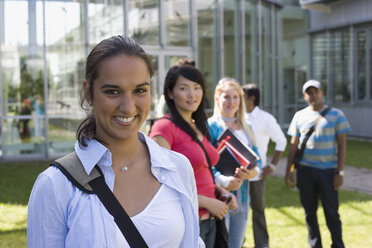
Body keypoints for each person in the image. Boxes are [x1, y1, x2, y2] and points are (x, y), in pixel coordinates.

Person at [27, 35, 204, 248]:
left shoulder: (178, 168)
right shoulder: (55, 185)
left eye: (140, 90)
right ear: (88, 92)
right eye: (112, 91)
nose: (128, 107)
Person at [149, 65, 237, 248]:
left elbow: (202, 170)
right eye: (183, 88)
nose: (192, 94)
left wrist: (220, 192)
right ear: (170, 93)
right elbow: (158, 182)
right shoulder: (163, 128)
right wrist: (206, 202)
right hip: (188, 222)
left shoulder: (198, 126)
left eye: (197, 87)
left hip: (212, 219)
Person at [285, 79, 351, 248]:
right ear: (305, 96)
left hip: (328, 172)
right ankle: (315, 245)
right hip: (305, 171)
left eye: (316, 91)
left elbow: (342, 145)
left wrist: (340, 172)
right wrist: (289, 171)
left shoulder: (337, 115)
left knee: (331, 212)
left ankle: (337, 244)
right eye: (309, 92)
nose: (313, 95)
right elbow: (293, 145)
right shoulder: (299, 116)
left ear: (322, 93)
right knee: (309, 212)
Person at [208, 78, 261, 248]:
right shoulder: (210, 126)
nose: (232, 102)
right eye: (227, 97)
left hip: (243, 199)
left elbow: (256, 163)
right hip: (220, 197)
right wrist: (223, 181)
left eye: (235, 97)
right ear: (217, 99)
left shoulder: (247, 127)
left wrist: (251, 173)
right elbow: (205, 166)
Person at [242, 84, 287, 248]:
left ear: (252, 99)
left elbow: (281, 141)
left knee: (258, 210)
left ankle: (262, 244)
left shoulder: (266, 119)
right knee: (237, 210)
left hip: (257, 174)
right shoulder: (236, 117)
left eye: (242, 97)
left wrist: (272, 165)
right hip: (237, 174)